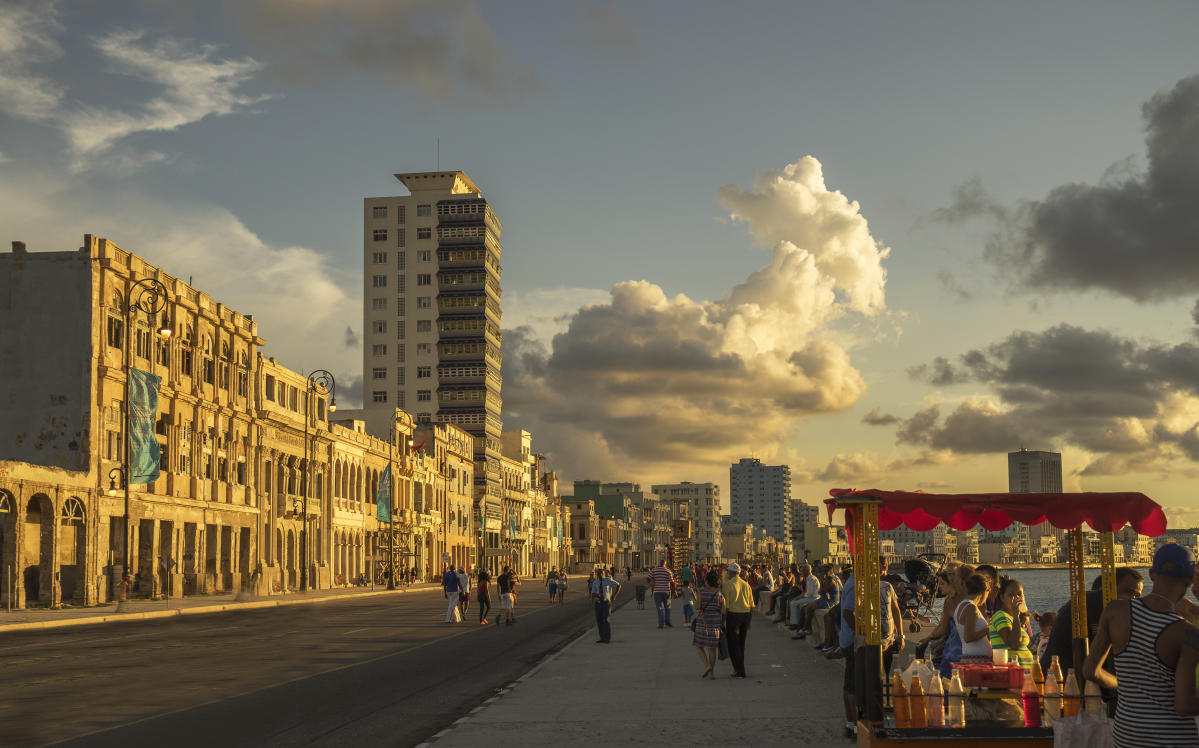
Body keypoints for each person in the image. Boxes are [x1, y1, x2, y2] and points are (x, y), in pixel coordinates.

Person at [1084, 543, 1199, 748]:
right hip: (1175, 740)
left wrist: (1126, 684)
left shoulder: (1114, 610)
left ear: (1152, 573)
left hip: (1127, 735)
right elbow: (1184, 705)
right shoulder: (1188, 634)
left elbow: (1090, 670)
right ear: (1189, 580)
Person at [1040, 567, 1143, 674]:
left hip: (1058, 673)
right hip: (1065, 677)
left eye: (1137, 596)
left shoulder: (1087, 601)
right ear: (1110, 586)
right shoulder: (1097, 606)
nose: (1133, 600)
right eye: (1129, 592)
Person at [936, 564, 975, 678]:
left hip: (955, 651)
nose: (939, 587)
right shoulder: (970, 600)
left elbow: (944, 628)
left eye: (942, 584)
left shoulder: (953, 602)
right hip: (961, 651)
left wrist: (929, 637)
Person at [989, 577, 1033, 667]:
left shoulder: (1012, 618)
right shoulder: (1000, 615)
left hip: (1025, 672)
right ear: (1002, 598)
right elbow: (1014, 643)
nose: (1016, 598)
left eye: (1019, 594)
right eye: (1011, 595)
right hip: (1012, 672)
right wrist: (1016, 615)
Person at [722, 562, 754, 678]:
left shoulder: (727, 585)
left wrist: (722, 622)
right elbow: (752, 606)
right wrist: (749, 621)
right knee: (741, 644)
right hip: (745, 615)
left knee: (733, 645)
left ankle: (740, 670)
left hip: (733, 616)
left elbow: (726, 606)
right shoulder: (746, 585)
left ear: (731, 572)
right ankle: (740, 669)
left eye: (727, 571)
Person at [693, 570, 725, 679]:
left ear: (707, 581)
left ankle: (707, 666)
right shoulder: (719, 594)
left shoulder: (702, 592)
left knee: (699, 646)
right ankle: (712, 674)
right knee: (712, 649)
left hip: (703, 622)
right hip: (715, 622)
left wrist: (697, 597)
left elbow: (697, 607)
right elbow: (724, 611)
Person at [955, 573, 992, 663]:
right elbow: (968, 637)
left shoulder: (962, 605)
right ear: (984, 591)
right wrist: (988, 629)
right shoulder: (971, 607)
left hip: (972, 657)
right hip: (976, 660)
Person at [591, 567, 621, 643]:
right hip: (598, 603)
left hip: (606, 603)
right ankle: (602, 638)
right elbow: (593, 593)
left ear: (604, 574)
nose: (600, 575)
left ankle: (607, 638)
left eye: (602, 573)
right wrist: (596, 595)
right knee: (599, 621)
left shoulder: (608, 580)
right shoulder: (595, 582)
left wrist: (614, 596)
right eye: (599, 573)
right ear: (597, 574)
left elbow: (618, 585)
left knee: (606, 620)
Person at [647, 560, 676, 629]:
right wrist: (674, 592)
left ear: (659, 564)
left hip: (657, 592)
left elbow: (648, 579)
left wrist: (652, 581)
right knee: (668, 607)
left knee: (660, 608)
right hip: (667, 592)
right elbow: (672, 582)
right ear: (665, 564)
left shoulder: (654, 570)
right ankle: (668, 621)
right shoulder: (668, 571)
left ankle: (661, 624)